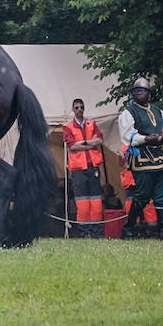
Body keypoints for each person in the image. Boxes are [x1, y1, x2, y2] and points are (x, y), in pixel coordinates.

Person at [119, 78, 163, 240]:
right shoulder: (128, 113)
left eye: (142, 90)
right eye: (136, 91)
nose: (139, 93)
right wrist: (146, 139)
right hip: (141, 158)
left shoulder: (159, 111)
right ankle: (130, 229)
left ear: (149, 93)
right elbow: (127, 136)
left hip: (160, 157)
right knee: (142, 196)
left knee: (162, 195)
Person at [63, 98, 106, 239]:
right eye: (77, 107)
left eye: (81, 107)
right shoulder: (68, 127)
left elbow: (99, 140)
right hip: (78, 169)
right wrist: (90, 143)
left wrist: (83, 143)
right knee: (82, 202)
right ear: (73, 109)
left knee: (96, 201)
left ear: (84, 108)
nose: (79, 109)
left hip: (93, 166)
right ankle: (85, 232)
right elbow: (72, 146)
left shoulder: (92, 124)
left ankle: (96, 232)